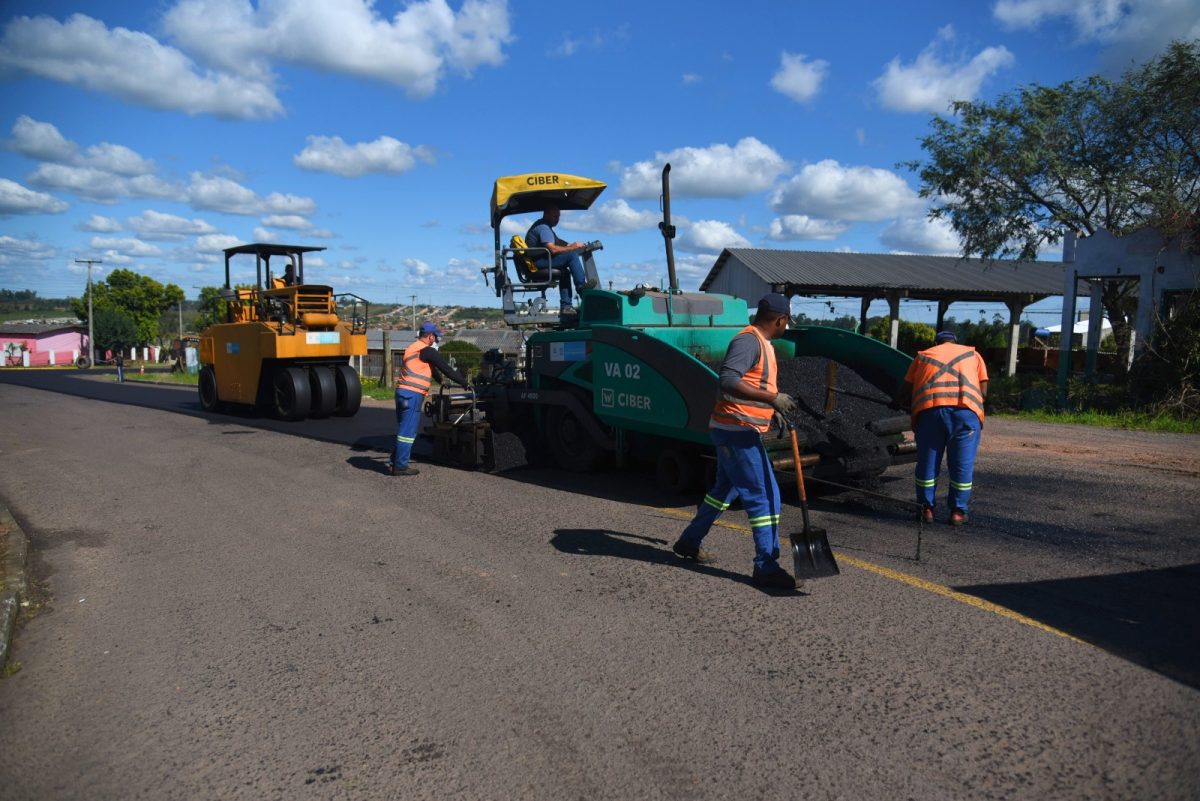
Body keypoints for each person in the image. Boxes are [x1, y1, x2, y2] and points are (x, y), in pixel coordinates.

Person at [671, 293, 799, 589]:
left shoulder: (759, 342)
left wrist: (771, 408)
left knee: (723, 491)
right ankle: (766, 566)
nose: (785, 327)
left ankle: (690, 541)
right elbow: (728, 380)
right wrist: (772, 398)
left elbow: (751, 383)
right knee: (765, 497)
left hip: (734, 429)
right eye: (786, 322)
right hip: (736, 431)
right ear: (779, 320)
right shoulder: (749, 341)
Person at [898, 331, 989, 526]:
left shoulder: (924, 355)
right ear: (956, 342)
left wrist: (895, 402)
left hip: (931, 413)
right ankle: (957, 512)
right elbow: (984, 391)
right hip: (965, 414)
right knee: (961, 464)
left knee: (928, 463)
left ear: (936, 343)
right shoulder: (973, 355)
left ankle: (926, 510)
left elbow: (906, 389)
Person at [390, 322, 470, 476]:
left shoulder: (413, 348)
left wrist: (442, 382)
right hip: (412, 394)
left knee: (403, 430)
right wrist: (464, 383)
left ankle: (395, 463)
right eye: (435, 337)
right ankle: (400, 466)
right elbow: (446, 368)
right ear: (430, 336)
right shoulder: (428, 351)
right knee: (407, 433)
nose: (435, 340)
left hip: (401, 393)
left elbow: (432, 370)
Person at [524, 205, 598, 314]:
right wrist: (572, 248)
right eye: (554, 216)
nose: (557, 219)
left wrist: (572, 244)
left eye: (558, 216)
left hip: (539, 261)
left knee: (565, 272)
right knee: (572, 255)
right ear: (546, 214)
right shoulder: (544, 228)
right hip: (538, 262)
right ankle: (582, 288)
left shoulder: (544, 226)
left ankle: (566, 307)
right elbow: (552, 249)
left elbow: (557, 241)